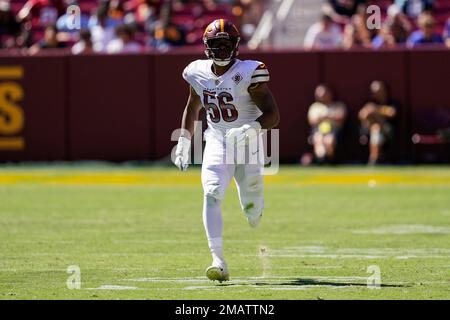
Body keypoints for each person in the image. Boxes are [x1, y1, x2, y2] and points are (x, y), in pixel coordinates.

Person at [174, 19, 279, 282]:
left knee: (252, 207)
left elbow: (273, 115)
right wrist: (185, 140)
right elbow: (192, 106)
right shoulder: (197, 72)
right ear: (206, 47)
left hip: (249, 143)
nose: (222, 49)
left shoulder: (249, 72)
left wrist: (249, 129)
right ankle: (218, 260)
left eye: (226, 44)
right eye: (216, 44)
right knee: (211, 193)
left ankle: (253, 209)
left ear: (235, 45)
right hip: (218, 140)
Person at [358, 81, 397, 165]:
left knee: (377, 128)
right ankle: (375, 159)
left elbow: (392, 112)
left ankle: (374, 159)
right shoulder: (369, 103)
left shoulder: (391, 102)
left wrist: (376, 110)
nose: (377, 94)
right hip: (369, 131)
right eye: (374, 92)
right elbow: (361, 115)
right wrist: (368, 112)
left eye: (379, 91)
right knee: (375, 128)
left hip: (388, 131)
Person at [307, 85, 346, 163]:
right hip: (318, 130)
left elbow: (341, 118)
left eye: (324, 94)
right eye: (319, 94)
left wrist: (326, 117)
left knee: (329, 141)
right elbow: (312, 121)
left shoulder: (338, 105)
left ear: (330, 94)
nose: (322, 96)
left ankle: (329, 161)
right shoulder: (315, 107)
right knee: (318, 139)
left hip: (334, 131)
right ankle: (320, 161)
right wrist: (327, 117)